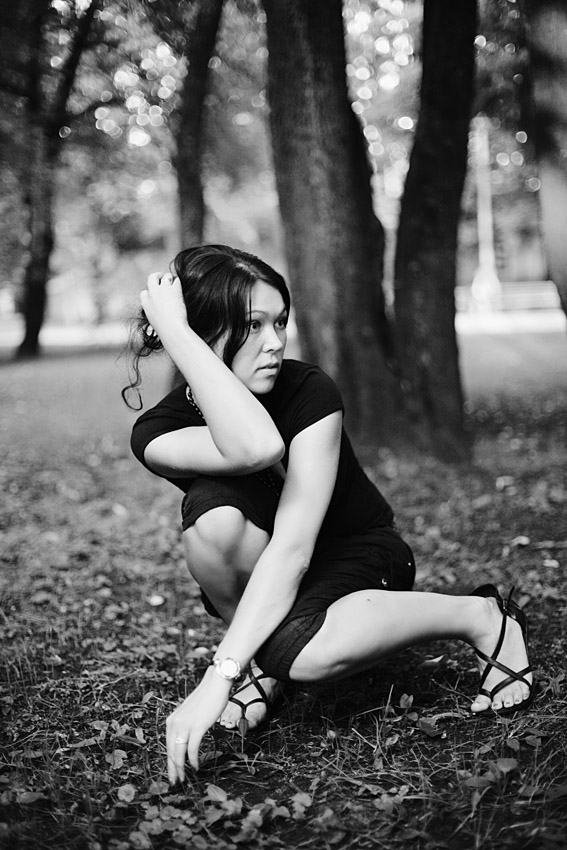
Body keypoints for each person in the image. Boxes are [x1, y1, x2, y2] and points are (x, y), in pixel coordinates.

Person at [123, 244, 534, 784]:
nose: (275, 342)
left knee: (308, 656)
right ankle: (265, 662)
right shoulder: (159, 429)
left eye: (280, 322)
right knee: (213, 520)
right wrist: (180, 337)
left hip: (357, 553)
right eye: (253, 325)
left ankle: (482, 617)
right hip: (274, 567)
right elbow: (246, 446)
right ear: (200, 334)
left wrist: (217, 677)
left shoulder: (308, 390)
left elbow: (278, 501)